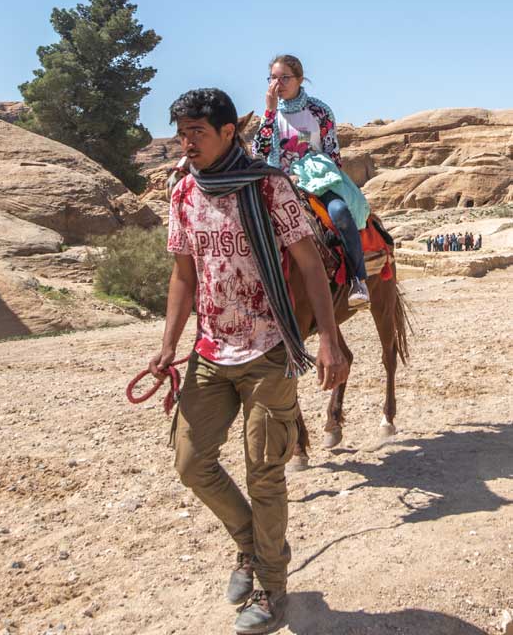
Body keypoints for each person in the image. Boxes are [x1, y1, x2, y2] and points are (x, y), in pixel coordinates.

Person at [148, 88, 349, 634]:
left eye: (198, 133)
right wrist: (169, 344)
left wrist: (327, 339)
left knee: (265, 475)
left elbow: (308, 265)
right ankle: (250, 545)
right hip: (210, 352)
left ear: (228, 131)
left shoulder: (270, 185)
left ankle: (272, 587)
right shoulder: (184, 190)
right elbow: (183, 274)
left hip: (269, 350)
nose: (186, 143)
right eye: (181, 132)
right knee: (192, 463)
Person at [252, 54, 370, 307]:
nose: (278, 83)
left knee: (340, 213)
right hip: (278, 181)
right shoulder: (269, 115)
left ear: (300, 79)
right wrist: (269, 112)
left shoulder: (319, 111)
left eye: (285, 77)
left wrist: (328, 181)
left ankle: (357, 279)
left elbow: (332, 151)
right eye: (273, 78)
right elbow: (258, 153)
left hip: (316, 181)